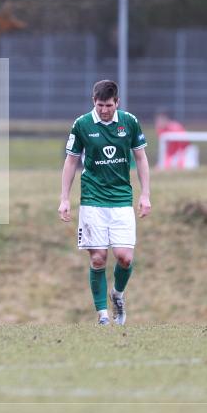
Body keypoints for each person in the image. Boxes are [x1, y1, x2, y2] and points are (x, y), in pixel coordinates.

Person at [59, 80, 151, 325]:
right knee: (98, 258)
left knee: (125, 258)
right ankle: (102, 316)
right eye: (100, 105)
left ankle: (117, 296)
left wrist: (145, 194)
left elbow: (141, 159)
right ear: (94, 102)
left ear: (117, 103)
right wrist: (64, 198)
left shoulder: (129, 122)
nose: (104, 110)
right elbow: (71, 162)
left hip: (121, 198)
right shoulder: (82, 124)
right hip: (92, 199)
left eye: (109, 105)